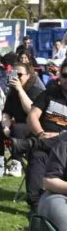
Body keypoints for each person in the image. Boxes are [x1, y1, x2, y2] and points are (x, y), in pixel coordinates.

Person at [23, 58, 67, 210]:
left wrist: (59, 137)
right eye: (65, 75)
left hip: (65, 148)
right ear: (59, 76)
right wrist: (41, 134)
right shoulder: (49, 94)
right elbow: (32, 116)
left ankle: (29, 144)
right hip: (46, 142)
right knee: (38, 155)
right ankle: (36, 204)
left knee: (62, 139)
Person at [0, 62, 43, 159]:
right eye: (13, 73)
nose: (16, 77)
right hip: (16, 126)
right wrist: (5, 126)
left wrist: (20, 90)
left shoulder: (36, 91)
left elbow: (31, 111)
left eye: (19, 74)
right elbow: (6, 113)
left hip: (34, 127)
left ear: (28, 76)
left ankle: (16, 161)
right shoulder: (12, 92)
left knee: (17, 128)